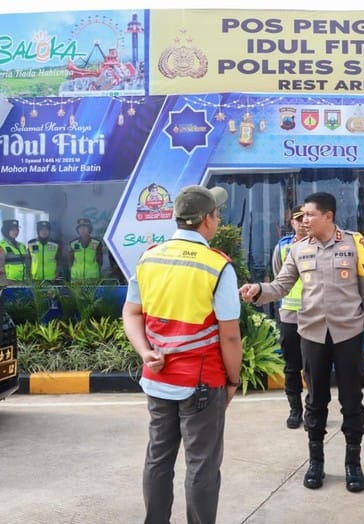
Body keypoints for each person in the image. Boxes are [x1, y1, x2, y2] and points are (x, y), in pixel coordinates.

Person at [240, 192, 364, 493]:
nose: (304, 220)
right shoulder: (297, 249)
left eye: (309, 215)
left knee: (352, 400)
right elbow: (281, 285)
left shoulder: (355, 243)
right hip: (312, 334)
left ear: (328, 217)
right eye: (303, 215)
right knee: (315, 400)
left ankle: (352, 464)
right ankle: (315, 462)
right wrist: (258, 290)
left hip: (348, 334)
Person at [122, 185, 243, 524]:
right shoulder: (217, 266)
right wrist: (233, 379)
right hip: (202, 384)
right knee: (202, 464)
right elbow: (230, 335)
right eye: (217, 214)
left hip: (158, 380)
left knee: (158, 458)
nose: (218, 220)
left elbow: (131, 313)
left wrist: (146, 352)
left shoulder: (149, 258)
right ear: (207, 220)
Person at [271, 205, 307, 429]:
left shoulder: (321, 244)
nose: (303, 222)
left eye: (306, 217)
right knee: (292, 367)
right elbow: (278, 279)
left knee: (315, 367)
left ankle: (314, 408)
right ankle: (295, 409)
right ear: (291, 222)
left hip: (316, 316)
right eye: (298, 219)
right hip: (290, 315)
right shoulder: (283, 246)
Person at [67, 218, 103, 282]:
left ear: (89, 229)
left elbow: (100, 261)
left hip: (92, 277)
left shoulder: (96, 243)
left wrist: (96, 270)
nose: (82, 230)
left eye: (85, 228)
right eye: (80, 228)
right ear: (78, 230)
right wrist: (72, 269)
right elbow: (70, 260)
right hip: (76, 277)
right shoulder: (74, 243)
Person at [0, 219, 29, 284]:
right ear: (6, 231)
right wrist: (4, 283)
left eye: (17, 229)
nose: (16, 232)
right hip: (8, 283)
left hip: (23, 282)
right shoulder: (1, 246)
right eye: (12, 230)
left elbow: (27, 264)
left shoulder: (22, 245)